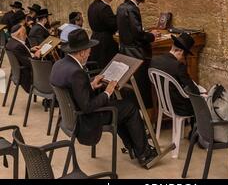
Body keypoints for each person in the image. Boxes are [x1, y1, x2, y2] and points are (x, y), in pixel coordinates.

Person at [50, 29, 157, 167]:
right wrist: (107, 91)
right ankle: (144, 154)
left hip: (69, 117)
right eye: (89, 50)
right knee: (129, 108)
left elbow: (74, 91)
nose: (90, 52)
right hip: (85, 120)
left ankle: (134, 148)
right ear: (82, 52)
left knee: (120, 108)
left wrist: (91, 85)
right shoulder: (76, 72)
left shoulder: (59, 64)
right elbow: (87, 106)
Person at [114, 0, 160, 109]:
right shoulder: (131, 9)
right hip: (136, 55)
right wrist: (152, 36)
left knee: (132, 92)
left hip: (126, 52)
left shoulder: (122, 7)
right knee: (142, 90)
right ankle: (146, 121)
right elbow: (137, 35)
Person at [150, 32, 204, 116]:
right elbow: (194, 91)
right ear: (181, 52)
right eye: (183, 56)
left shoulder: (154, 60)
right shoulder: (178, 66)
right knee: (201, 103)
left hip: (162, 104)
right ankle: (197, 129)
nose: (182, 58)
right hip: (178, 108)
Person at [88, 0, 118, 69]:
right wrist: (118, 17)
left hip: (94, 37)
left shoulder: (92, 5)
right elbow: (112, 25)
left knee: (98, 63)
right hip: (105, 41)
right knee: (107, 64)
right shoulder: (105, 7)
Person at [6, 24, 41, 93]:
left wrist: (30, 50)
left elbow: (21, 55)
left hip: (19, 74)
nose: (26, 35)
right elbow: (30, 63)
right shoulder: (17, 46)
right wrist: (36, 56)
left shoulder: (11, 42)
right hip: (28, 78)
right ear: (19, 34)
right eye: (24, 33)